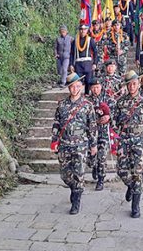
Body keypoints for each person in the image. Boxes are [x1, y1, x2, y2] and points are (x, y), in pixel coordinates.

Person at [50, 73, 97, 214]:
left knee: (79, 173)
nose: (75, 89)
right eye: (72, 86)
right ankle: (73, 188)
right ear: (69, 88)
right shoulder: (62, 105)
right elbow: (57, 123)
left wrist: (93, 145)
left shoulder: (87, 105)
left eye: (77, 86)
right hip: (65, 144)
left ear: (81, 87)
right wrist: (54, 140)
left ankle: (76, 201)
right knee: (65, 175)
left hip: (80, 145)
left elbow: (92, 126)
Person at [112, 70, 143, 218]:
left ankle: (135, 206)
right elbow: (115, 121)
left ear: (139, 84)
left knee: (137, 172)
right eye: (129, 84)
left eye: (134, 84)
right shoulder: (121, 102)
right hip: (124, 139)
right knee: (121, 170)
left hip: (139, 140)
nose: (131, 87)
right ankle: (130, 186)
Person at [87, 78, 114, 191]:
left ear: (101, 87)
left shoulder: (108, 99)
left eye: (97, 87)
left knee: (102, 155)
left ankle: (101, 179)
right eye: (93, 87)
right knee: (92, 157)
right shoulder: (86, 101)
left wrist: (109, 117)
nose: (95, 90)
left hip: (103, 132)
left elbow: (116, 113)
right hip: (90, 134)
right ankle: (94, 167)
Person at [68, 24, 98, 94]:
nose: (82, 31)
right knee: (78, 82)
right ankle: (78, 95)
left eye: (84, 29)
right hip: (78, 64)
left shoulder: (90, 40)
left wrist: (95, 63)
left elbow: (95, 52)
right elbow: (71, 53)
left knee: (88, 81)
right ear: (79, 30)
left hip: (88, 64)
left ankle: (87, 95)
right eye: (81, 29)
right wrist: (71, 64)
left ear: (87, 30)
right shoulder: (75, 41)